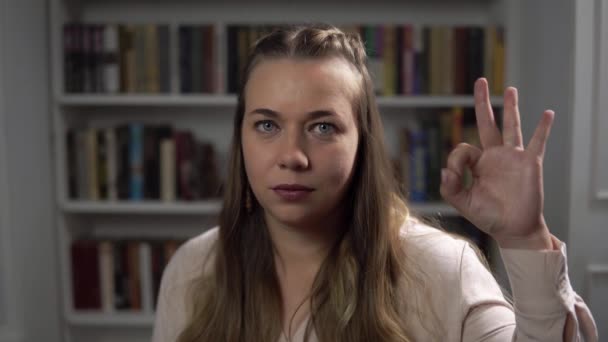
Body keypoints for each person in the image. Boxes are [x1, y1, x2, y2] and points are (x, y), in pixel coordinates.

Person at [152, 24, 598, 342]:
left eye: (322, 127)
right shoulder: (193, 269)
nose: (292, 156)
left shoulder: (441, 268)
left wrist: (524, 238)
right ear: (241, 138)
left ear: (363, 142)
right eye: (267, 126)